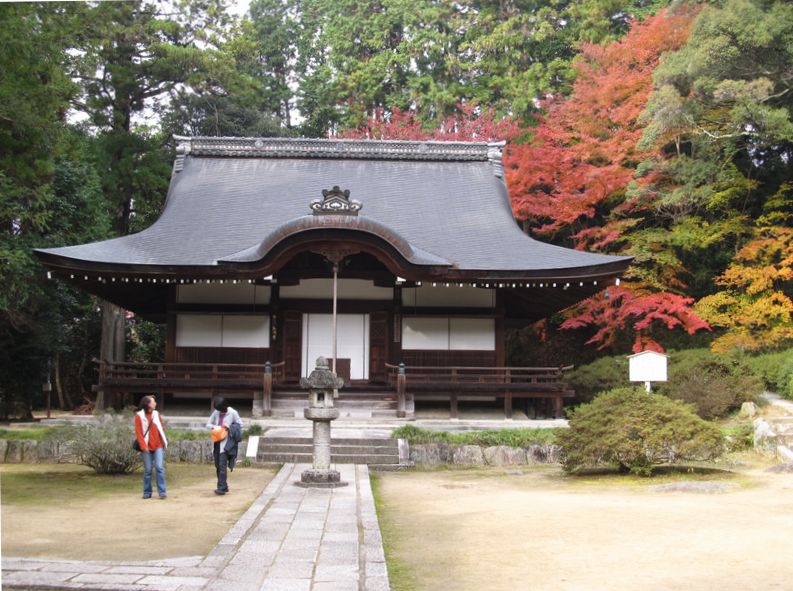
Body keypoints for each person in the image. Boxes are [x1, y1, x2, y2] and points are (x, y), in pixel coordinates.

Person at [206, 396, 243, 495]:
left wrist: (229, 427)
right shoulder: (216, 412)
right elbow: (208, 424)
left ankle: (221, 488)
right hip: (217, 441)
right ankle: (224, 486)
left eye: (221, 410)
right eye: (218, 410)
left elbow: (240, 425)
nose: (220, 412)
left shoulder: (233, 412)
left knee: (222, 465)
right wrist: (217, 427)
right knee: (217, 465)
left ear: (225, 406)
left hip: (227, 443)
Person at [134, 395, 168, 499]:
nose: (155, 403)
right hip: (146, 446)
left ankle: (162, 492)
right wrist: (144, 447)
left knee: (159, 468)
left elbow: (162, 427)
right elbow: (139, 433)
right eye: (153, 402)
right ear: (148, 404)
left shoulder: (156, 414)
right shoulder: (139, 416)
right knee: (148, 470)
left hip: (158, 445)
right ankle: (147, 492)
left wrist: (163, 440)